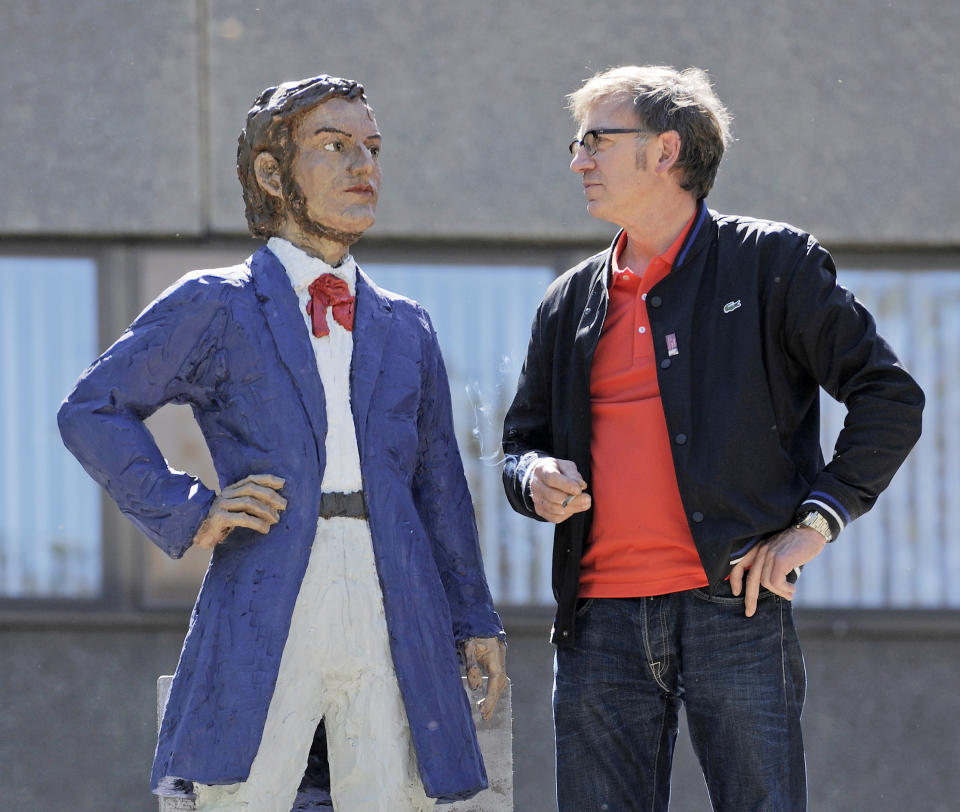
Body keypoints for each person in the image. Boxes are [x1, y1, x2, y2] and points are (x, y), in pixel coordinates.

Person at [58, 74, 506, 812]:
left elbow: (440, 485)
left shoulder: (406, 324)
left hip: (392, 590)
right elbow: (92, 408)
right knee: (244, 789)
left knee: (394, 791)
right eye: (334, 146)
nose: (364, 165)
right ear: (272, 173)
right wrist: (188, 509)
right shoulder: (216, 301)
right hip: (270, 582)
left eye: (372, 147)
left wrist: (474, 616)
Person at [501, 65, 923, 811]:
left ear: (666, 152)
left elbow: (889, 397)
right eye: (578, 142)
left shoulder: (773, 263)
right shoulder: (568, 301)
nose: (578, 161)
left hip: (737, 607)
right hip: (597, 621)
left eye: (596, 140)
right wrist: (533, 476)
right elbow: (519, 445)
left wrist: (815, 524)